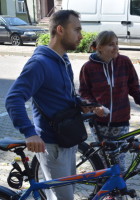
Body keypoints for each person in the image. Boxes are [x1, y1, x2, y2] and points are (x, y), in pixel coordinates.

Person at [5, 10, 83, 200]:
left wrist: (84, 105)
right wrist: (29, 132)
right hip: (52, 144)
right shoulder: (39, 63)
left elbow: (64, 97)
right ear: (60, 30)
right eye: (77, 30)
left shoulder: (63, 60)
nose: (81, 36)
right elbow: (13, 99)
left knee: (65, 194)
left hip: (68, 140)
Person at [79, 30, 140, 172]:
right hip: (99, 123)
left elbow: (133, 86)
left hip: (121, 120)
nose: (116, 48)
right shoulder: (88, 68)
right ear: (99, 47)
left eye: (117, 44)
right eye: (111, 45)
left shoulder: (124, 62)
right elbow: (84, 93)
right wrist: (95, 107)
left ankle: (117, 193)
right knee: (104, 159)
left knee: (119, 160)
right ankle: (105, 191)